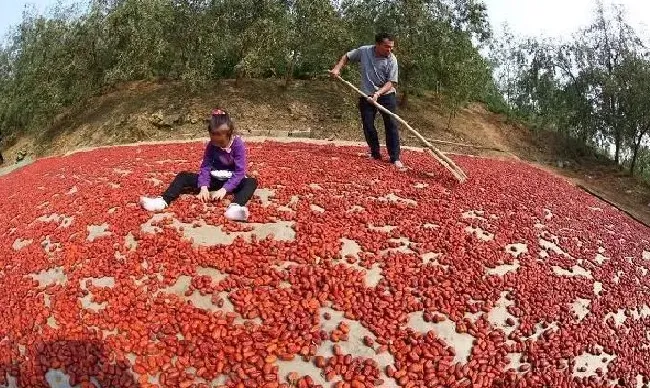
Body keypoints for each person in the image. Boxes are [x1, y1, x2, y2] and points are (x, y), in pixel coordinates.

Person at [140, 109, 258, 222]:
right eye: (214, 141)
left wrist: (224, 190)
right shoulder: (212, 145)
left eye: (220, 142)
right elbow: (206, 166)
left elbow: (239, 172)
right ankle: (163, 201)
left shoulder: (237, 145)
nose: (217, 144)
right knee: (183, 176)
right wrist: (204, 186)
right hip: (214, 179)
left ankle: (235, 207)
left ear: (229, 134)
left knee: (251, 182)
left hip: (230, 181)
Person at [330, 32, 403, 169]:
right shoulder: (364, 51)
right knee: (368, 124)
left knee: (391, 125)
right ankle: (375, 153)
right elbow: (347, 56)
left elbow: (391, 82)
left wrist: (378, 94)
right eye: (387, 47)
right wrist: (337, 68)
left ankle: (395, 158)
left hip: (386, 94)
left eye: (391, 47)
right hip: (366, 94)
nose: (390, 50)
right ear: (377, 45)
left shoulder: (392, 59)